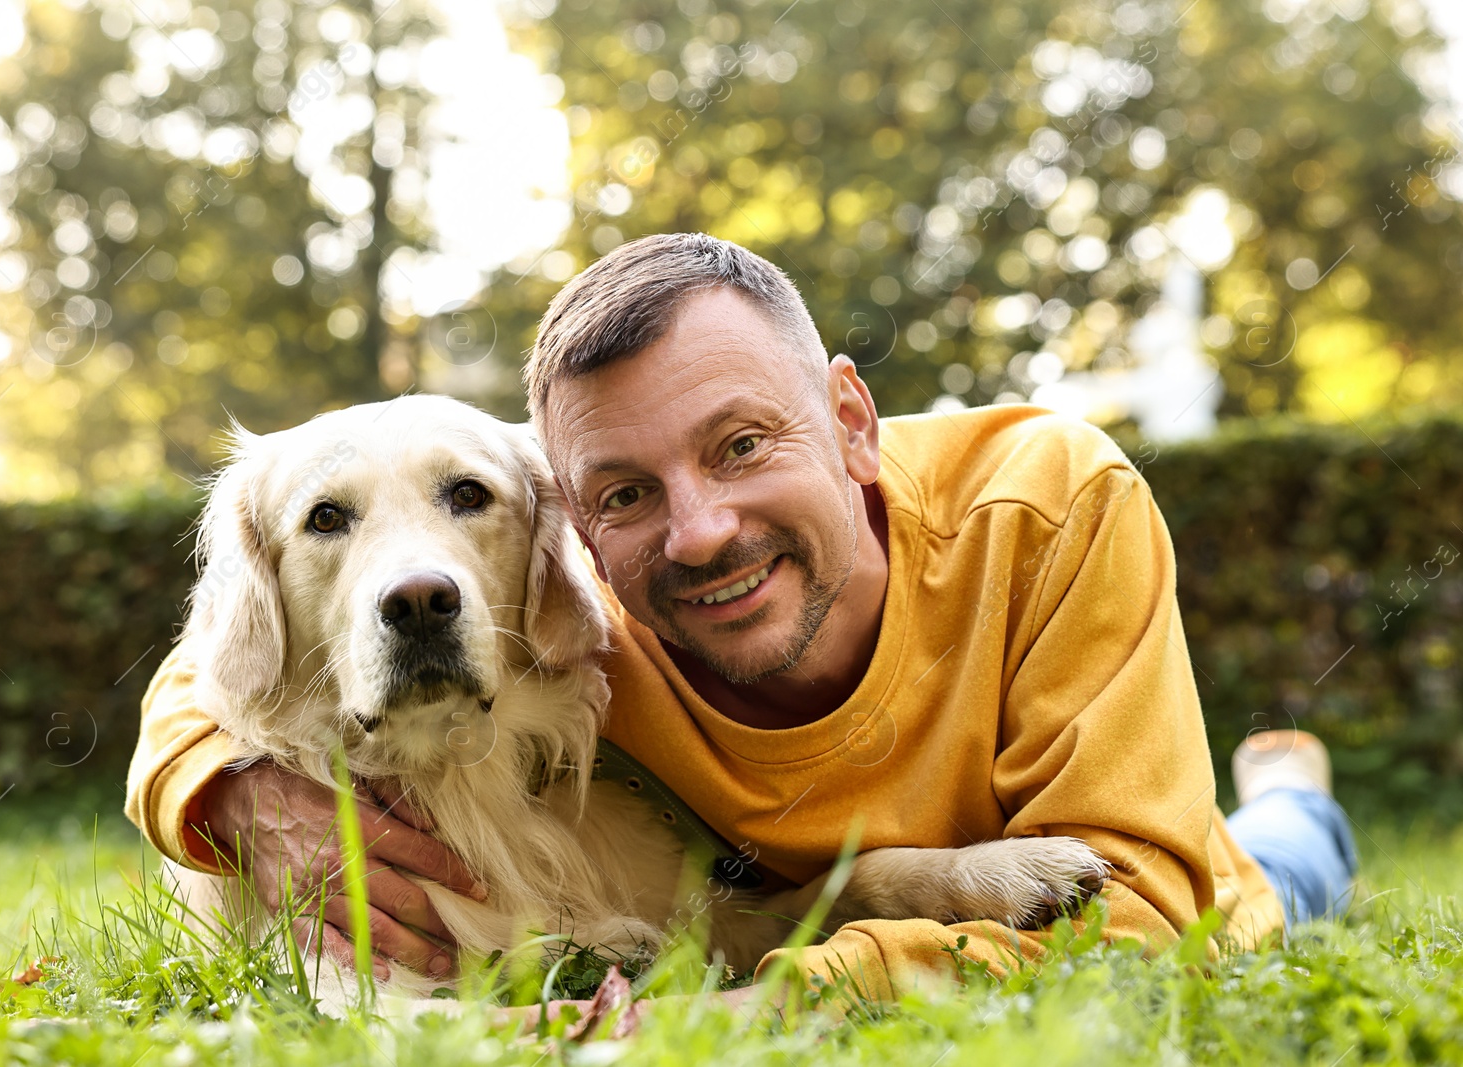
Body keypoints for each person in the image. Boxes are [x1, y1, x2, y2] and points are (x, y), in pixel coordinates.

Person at [126, 233, 1355, 998]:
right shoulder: (573, 583)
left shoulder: (1048, 502)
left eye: (744, 442)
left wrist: (776, 1001)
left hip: (1161, 865)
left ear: (854, 421)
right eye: (625, 490)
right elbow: (228, 658)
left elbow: (1136, 915)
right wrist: (218, 786)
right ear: (580, 524)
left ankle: (1293, 797)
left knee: (1279, 871)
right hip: (822, 889)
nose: (698, 530)